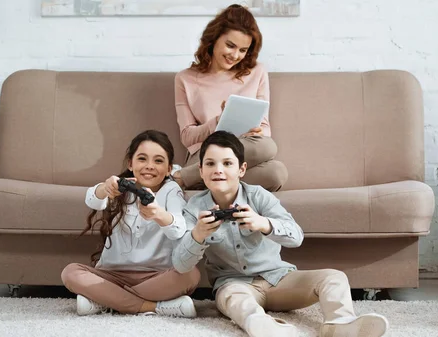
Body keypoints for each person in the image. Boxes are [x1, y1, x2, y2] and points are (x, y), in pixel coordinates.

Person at [172, 131, 389, 337]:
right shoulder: (194, 208)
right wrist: (198, 235)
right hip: (234, 285)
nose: (218, 170)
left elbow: (296, 237)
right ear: (201, 171)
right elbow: (180, 264)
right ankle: (266, 328)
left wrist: (263, 223)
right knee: (233, 299)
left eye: (227, 163)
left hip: (278, 279)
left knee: (334, 277)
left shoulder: (259, 196)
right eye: (210, 164)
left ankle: (340, 325)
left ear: (242, 169)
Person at [61, 130, 200, 318]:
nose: (149, 166)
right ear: (130, 164)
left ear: (169, 169)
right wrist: (104, 188)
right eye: (142, 159)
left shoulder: (171, 190)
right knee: (70, 273)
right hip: (113, 275)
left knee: (191, 275)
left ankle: (106, 300)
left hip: (155, 277)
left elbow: (178, 230)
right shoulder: (120, 187)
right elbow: (92, 200)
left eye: (158, 161)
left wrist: (158, 214)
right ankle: (151, 307)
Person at [172, 4, 288, 192]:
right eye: (230, 45)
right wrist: (218, 121)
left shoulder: (256, 72)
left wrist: (257, 132)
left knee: (275, 169)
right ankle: (196, 175)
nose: (235, 55)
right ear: (214, 39)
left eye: (243, 50)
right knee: (268, 153)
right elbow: (187, 137)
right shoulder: (185, 79)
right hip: (205, 154)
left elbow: (265, 129)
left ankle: (188, 179)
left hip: (245, 151)